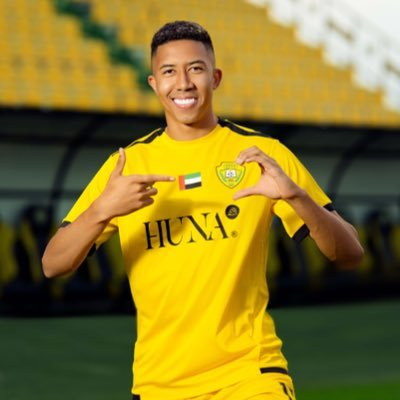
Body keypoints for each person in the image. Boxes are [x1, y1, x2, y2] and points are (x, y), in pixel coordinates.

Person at [42, 20, 364, 400]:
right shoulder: (128, 166)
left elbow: (350, 254)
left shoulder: (263, 155)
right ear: (153, 84)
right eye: (169, 72)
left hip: (249, 373)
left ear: (215, 77)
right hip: (159, 385)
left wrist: (297, 198)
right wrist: (101, 210)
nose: (183, 83)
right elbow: (53, 265)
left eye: (195, 69)